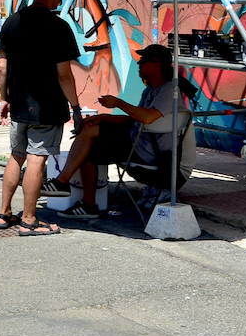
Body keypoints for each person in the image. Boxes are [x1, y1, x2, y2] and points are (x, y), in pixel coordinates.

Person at [41, 44, 197, 219]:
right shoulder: (151, 90)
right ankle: (85, 203)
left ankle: (64, 183)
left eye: (143, 61)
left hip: (163, 164)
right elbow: (138, 119)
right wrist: (105, 117)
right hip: (145, 151)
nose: (139, 64)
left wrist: (118, 103)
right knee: (92, 140)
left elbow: (147, 118)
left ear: (157, 64)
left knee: (92, 137)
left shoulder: (170, 91)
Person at [0, 0, 81, 236]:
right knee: (36, 159)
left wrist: (4, 98)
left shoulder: (12, 22)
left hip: (19, 103)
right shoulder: (58, 26)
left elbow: (1, 66)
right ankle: (29, 220)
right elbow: (64, 74)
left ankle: (4, 213)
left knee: (16, 155)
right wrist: (75, 107)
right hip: (47, 106)